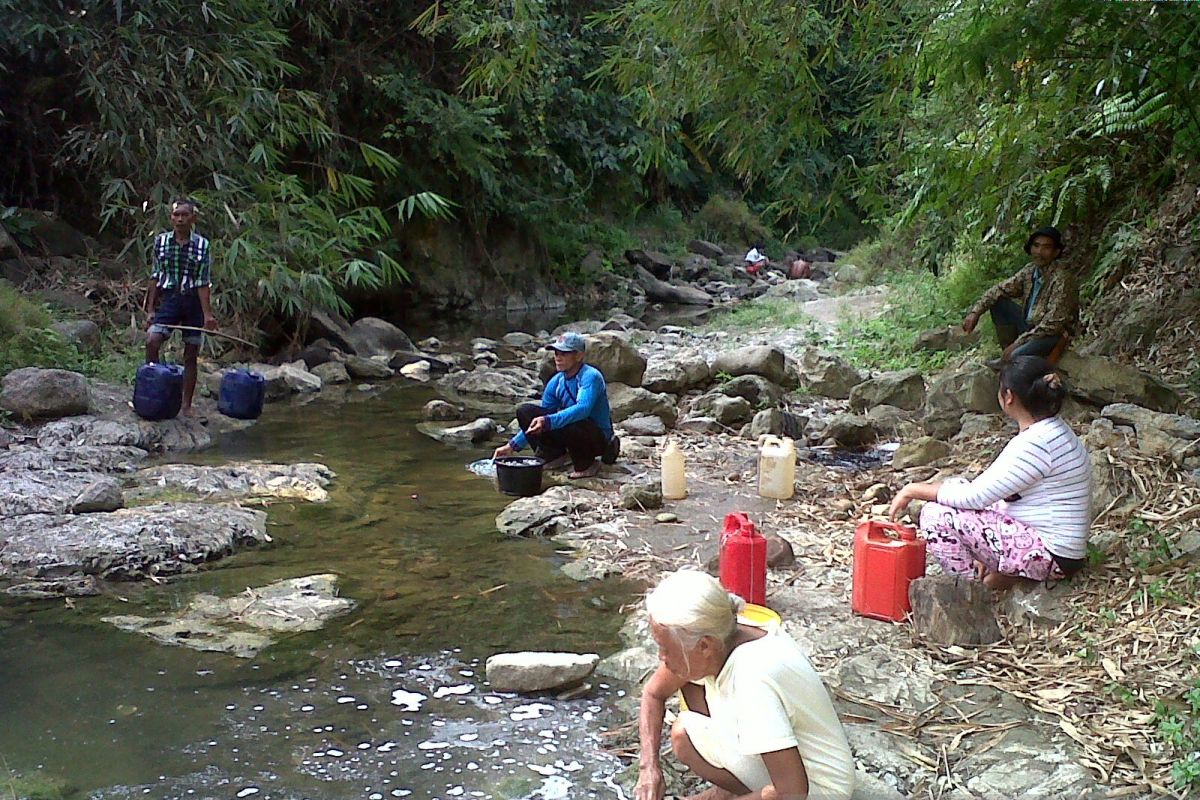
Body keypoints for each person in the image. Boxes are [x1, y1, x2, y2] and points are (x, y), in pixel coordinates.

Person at [636, 570, 855, 800]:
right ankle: (732, 792)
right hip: (790, 771)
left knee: (684, 730)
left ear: (704, 646)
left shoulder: (753, 677)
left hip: (819, 788)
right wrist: (648, 767)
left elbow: (793, 791)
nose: (661, 657)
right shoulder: (725, 632)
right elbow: (654, 693)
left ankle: (731, 795)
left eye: (666, 649)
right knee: (685, 731)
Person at [889, 355, 1092, 591]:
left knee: (935, 515)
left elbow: (975, 497)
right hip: (1060, 547)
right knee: (957, 484)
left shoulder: (1035, 443)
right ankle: (1000, 572)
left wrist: (912, 489)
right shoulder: (1054, 430)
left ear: (1008, 397)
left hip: (1051, 554)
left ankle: (971, 592)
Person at [492, 332, 619, 479]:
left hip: (597, 437)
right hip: (572, 431)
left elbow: (583, 408)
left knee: (570, 419)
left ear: (578, 356)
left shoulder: (590, 376)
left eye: (564, 353)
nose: (557, 357)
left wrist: (548, 421)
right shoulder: (556, 381)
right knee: (525, 411)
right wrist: (512, 446)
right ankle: (553, 455)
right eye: (556, 353)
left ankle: (587, 463)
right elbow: (540, 419)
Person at [144, 198, 217, 417]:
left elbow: (203, 281)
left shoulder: (202, 245)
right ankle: (154, 386)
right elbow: (156, 275)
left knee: (191, 354)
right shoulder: (162, 242)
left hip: (193, 302)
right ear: (171, 218)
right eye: (176, 215)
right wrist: (150, 309)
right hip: (170, 299)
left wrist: (208, 315)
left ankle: (186, 405)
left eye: (185, 215)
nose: (180, 219)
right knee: (152, 340)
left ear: (193, 219)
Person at [961, 226, 1078, 363]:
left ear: (1056, 252)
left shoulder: (1062, 279)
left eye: (1046, 248)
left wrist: (1019, 342)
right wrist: (975, 312)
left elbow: (1052, 324)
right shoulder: (1029, 271)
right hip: (1030, 328)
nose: (1039, 252)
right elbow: (999, 290)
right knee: (999, 303)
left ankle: (1015, 357)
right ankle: (1008, 354)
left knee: (1015, 356)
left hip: (1052, 335)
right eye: (1036, 246)